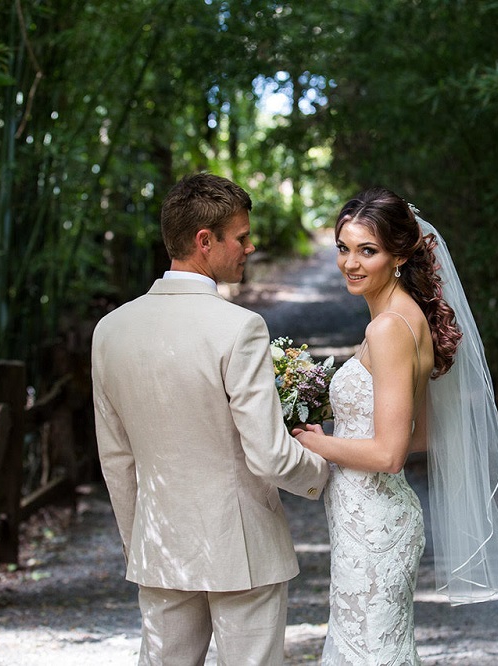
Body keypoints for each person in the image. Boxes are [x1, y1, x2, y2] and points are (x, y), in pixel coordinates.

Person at [92, 172, 330, 666]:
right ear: (206, 241)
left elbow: (116, 458)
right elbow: (267, 453)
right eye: (241, 237)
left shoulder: (109, 331)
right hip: (242, 548)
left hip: (159, 547)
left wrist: (139, 542)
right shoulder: (239, 328)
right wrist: (322, 472)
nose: (250, 247)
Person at [295, 187, 498, 665]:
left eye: (368, 250)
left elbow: (389, 454)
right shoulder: (405, 318)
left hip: (376, 524)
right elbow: (420, 434)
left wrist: (315, 442)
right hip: (367, 518)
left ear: (399, 254)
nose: (351, 263)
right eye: (344, 248)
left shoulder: (388, 329)